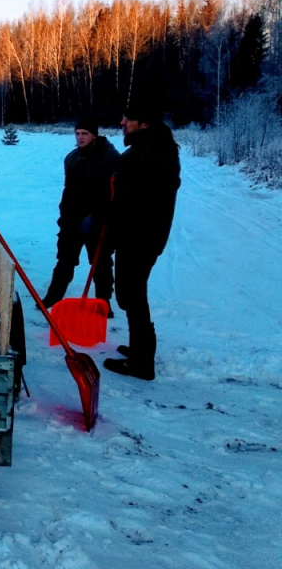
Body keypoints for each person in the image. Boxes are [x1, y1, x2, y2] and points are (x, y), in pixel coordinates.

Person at [103, 101, 181, 381]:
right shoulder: (154, 149)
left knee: (131, 294)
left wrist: (109, 218)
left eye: (128, 119)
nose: (122, 123)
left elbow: (131, 201)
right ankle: (140, 349)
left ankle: (142, 362)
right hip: (143, 235)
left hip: (139, 237)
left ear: (144, 123)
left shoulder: (148, 154)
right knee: (131, 293)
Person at [42, 118, 120, 312]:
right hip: (72, 220)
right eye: (77, 133)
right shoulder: (72, 158)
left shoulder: (110, 157)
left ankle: (103, 303)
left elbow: (115, 193)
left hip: (98, 221)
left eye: (85, 133)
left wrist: (103, 217)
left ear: (95, 135)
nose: (80, 137)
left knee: (100, 263)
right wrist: (64, 215)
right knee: (65, 260)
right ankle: (53, 297)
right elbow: (68, 190)